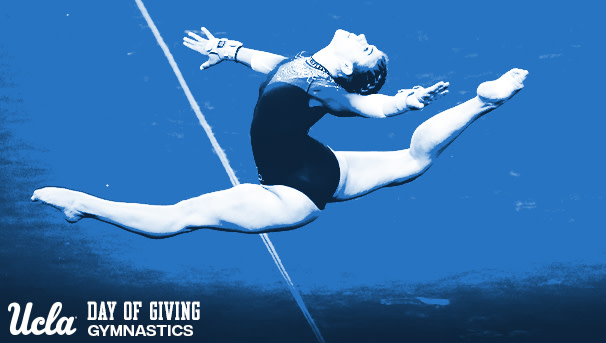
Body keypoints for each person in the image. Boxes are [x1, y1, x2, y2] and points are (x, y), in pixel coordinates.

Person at [32, 27, 528, 238]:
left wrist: (402, 101)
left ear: (351, 69)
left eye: (368, 50)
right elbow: (272, 64)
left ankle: (84, 205)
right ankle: (482, 103)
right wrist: (232, 50)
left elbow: (365, 106)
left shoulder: (325, 87)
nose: (363, 38)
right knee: (414, 161)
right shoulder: (302, 66)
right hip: (325, 165)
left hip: (290, 192)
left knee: (183, 217)